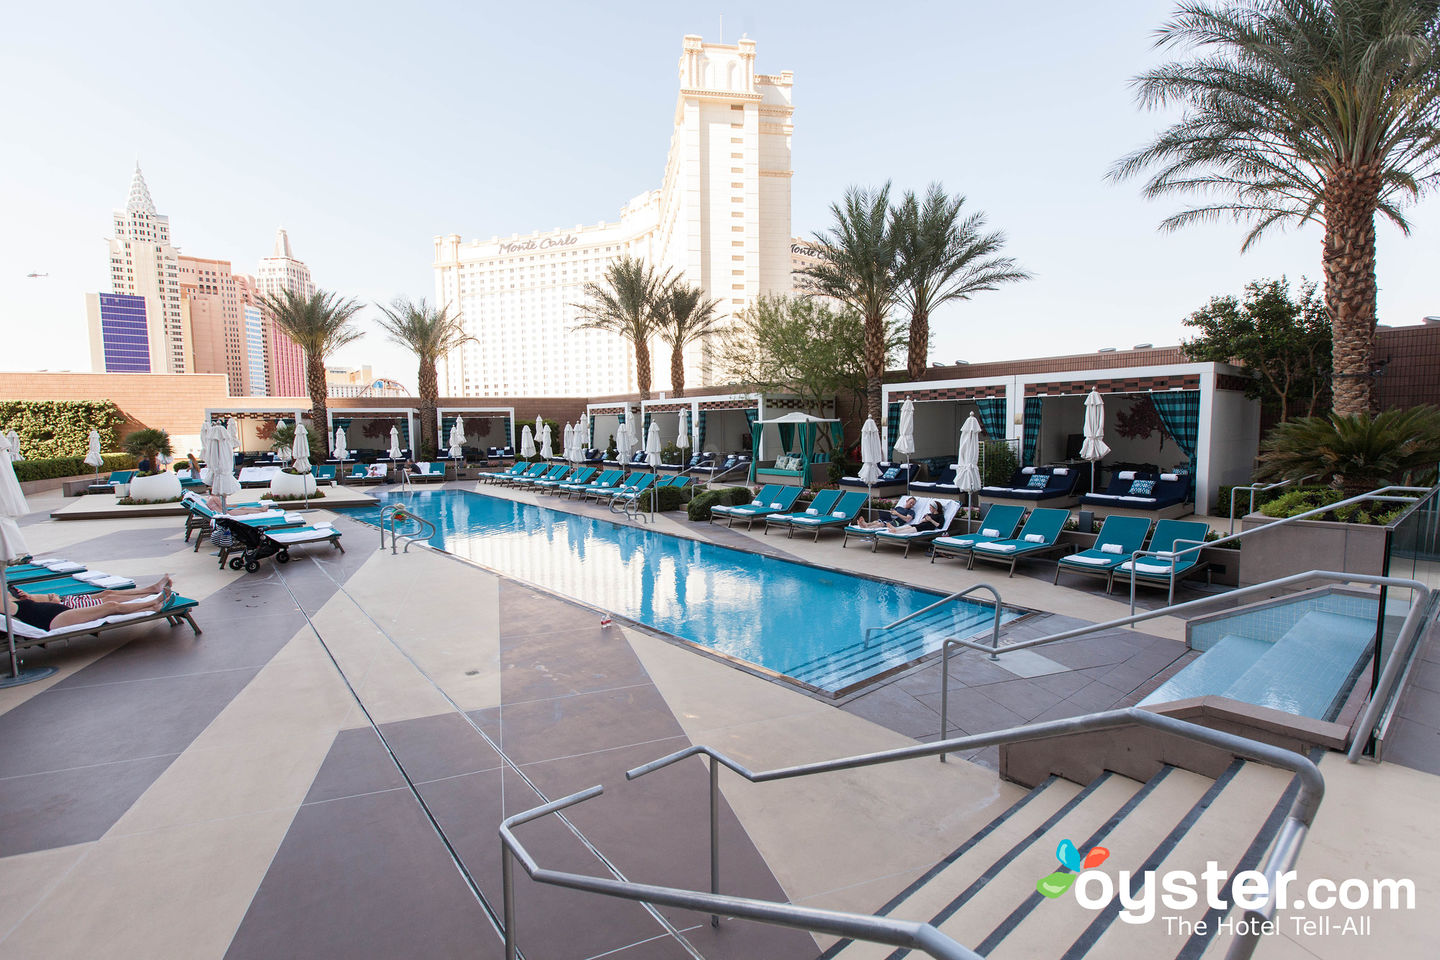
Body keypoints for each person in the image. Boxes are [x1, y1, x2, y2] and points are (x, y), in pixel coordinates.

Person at [4, 585, 174, 633]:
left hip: (58, 613)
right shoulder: (8, 606)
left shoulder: (14, 599)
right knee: (110, 606)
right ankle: (153, 603)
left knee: (110, 606)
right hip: (53, 621)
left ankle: (154, 605)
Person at [11, 575, 173, 610]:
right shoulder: (18, 606)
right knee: (110, 600)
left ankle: (151, 590)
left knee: (107, 593)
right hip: (65, 608)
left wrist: (31, 596)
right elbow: (46, 606)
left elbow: (45, 598)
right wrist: (53, 601)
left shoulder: (19, 597)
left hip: (64, 601)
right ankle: (152, 601)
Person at [853, 496, 919, 530]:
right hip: (890, 518)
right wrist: (890, 512)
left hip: (896, 522)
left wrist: (897, 514)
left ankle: (866, 527)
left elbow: (907, 519)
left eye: (913, 504)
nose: (911, 505)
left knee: (881, 524)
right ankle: (866, 524)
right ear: (907, 501)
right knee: (876, 521)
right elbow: (892, 512)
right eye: (910, 502)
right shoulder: (898, 507)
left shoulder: (911, 511)